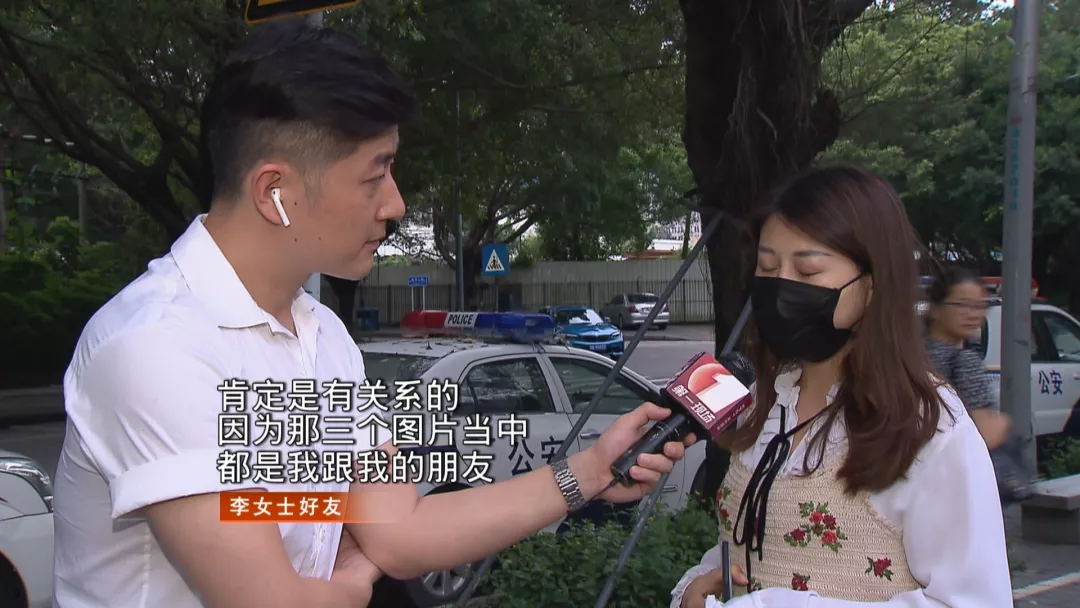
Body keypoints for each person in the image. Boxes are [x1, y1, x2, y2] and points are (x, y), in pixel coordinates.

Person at [52, 20, 692, 608]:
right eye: (374, 175)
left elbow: (400, 528)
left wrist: (588, 472)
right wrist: (355, 581)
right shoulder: (156, 350)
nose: (396, 204)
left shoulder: (321, 335)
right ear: (276, 191)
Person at [670, 165, 1011, 608]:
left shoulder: (928, 428)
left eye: (808, 271)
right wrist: (694, 592)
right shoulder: (763, 400)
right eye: (767, 267)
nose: (780, 287)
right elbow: (741, 547)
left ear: (872, 285)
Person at [924, 266, 1033, 502]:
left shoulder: (910, 356)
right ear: (935, 308)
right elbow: (986, 435)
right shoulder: (965, 361)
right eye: (962, 304)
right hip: (958, 490)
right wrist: (1003, 422)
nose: (972, 314)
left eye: (979, 306)